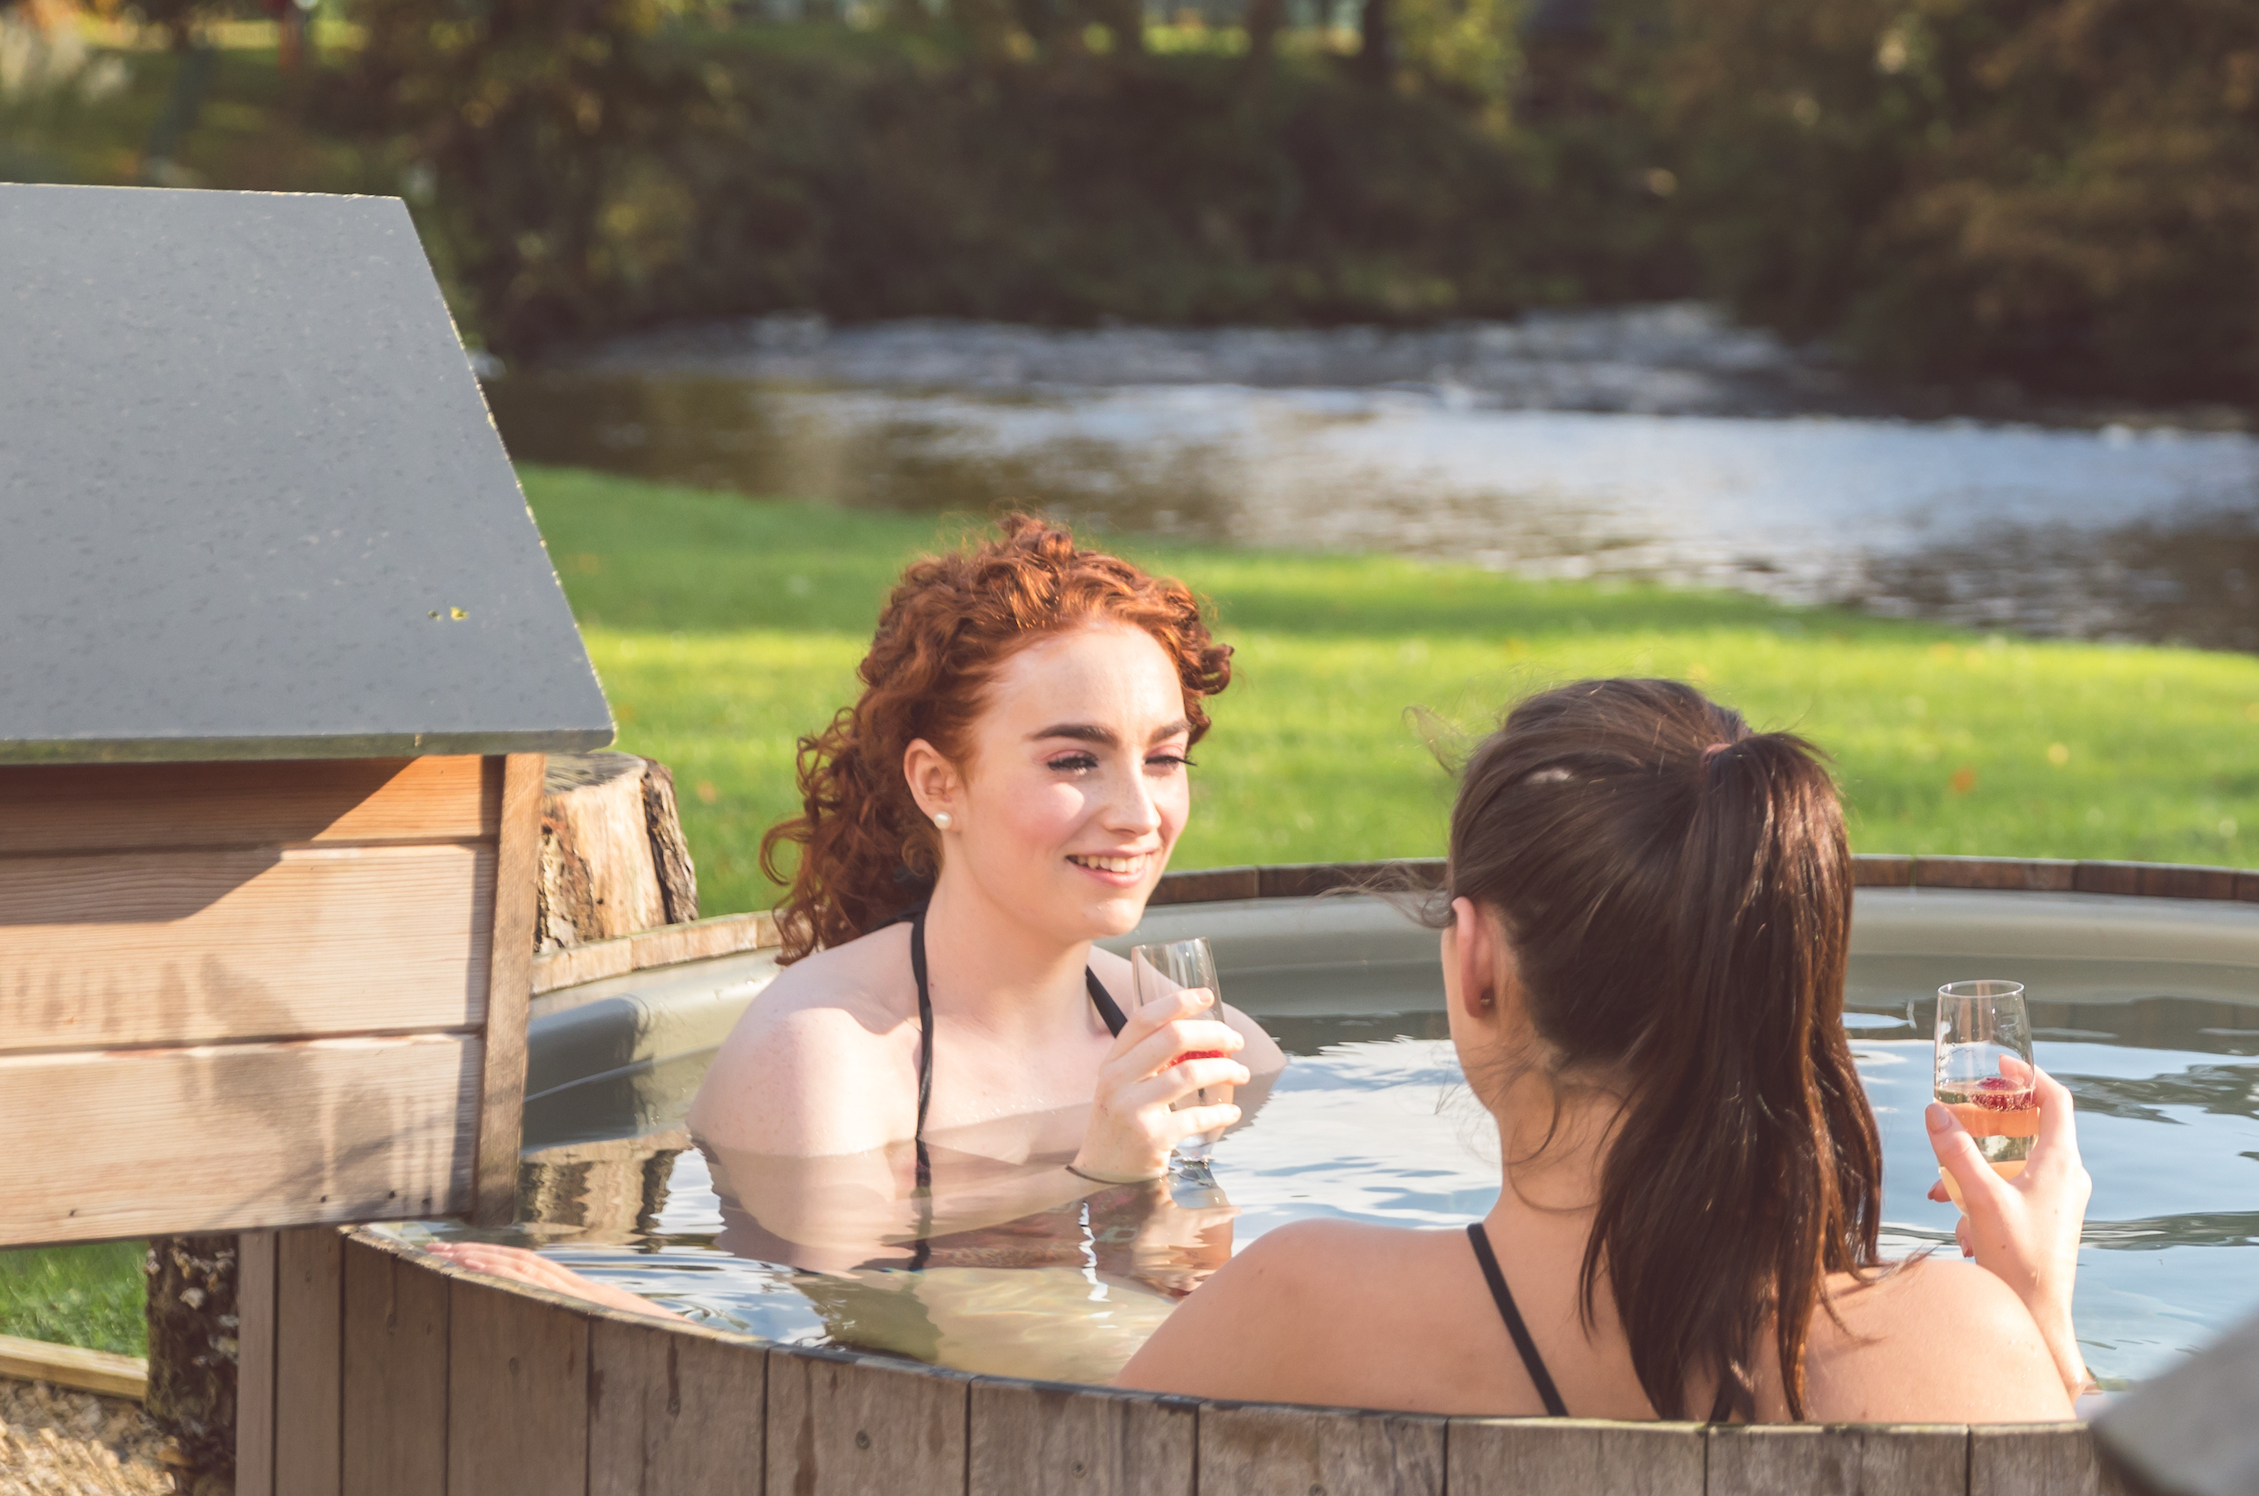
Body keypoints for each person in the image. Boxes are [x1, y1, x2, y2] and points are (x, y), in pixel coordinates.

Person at [1123, 677, 2092, 1425]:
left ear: (1477, 959)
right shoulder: (1959, 1344)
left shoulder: (1296, 1310)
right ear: (1787, 977)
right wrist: (2047, 1329)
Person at [681, 512, 1281, 1264]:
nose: (1138, 816)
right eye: (1073, 761)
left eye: (1164, 759)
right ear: (940, 783)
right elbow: (847, 1346)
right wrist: (1104, 1186)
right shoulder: (825, 1063)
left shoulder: (1218, 1053)